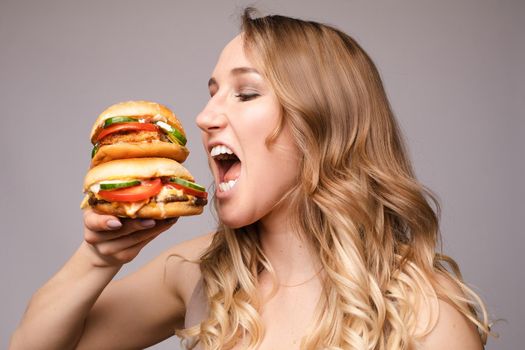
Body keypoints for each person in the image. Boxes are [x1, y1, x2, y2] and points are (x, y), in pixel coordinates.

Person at [10, 8, 491, 350]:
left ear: (320, 123)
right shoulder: (198, 271)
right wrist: (96, 258)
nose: (203, 117)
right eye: (213, 93)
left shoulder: (427, 315)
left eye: (245, 93)